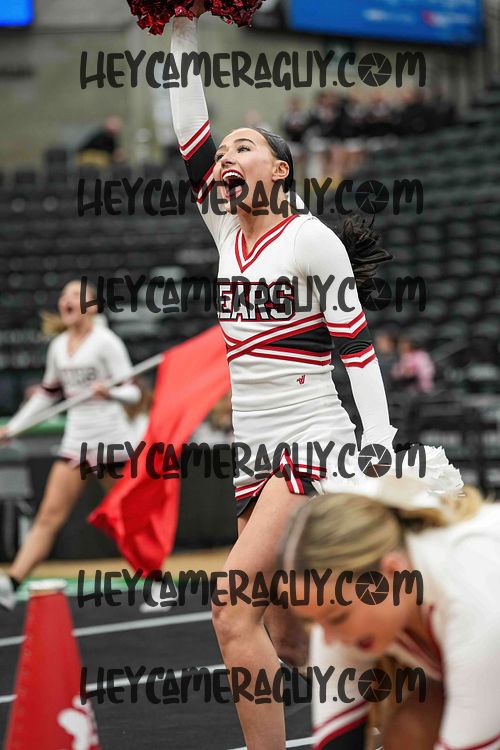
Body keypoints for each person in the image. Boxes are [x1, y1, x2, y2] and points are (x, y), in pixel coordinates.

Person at [170, 5, 396, 748]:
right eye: (223, 153)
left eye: (244, 146)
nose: (225, 156)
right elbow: (190, 129)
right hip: (254, 453)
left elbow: (355, 348)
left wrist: (378, 441)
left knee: (229, 608)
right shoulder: (223, 232)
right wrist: (179, 27)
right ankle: (393, 702)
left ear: (279, 169)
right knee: (290, 638)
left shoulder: (310, 240)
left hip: (311, 441)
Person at [280, 475, 500, 749]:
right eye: (315, 622)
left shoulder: (468, 596)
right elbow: (337, 742)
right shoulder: (340, 611)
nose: (329, 639)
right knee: (410, 731)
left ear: (393, 572)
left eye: (338, 618)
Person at [0, 280, 140, 610]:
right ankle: (12, 583)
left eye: (75, 295)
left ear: (92, 306)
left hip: (110, 441)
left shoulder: (106, 342)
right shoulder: (59, 346)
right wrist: (13, 428)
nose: (66, 300)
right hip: (76, 440)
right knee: (48, 516)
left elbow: (133, 392)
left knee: (124, 518)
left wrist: (111, 392)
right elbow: (47, 395)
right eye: (63, 295)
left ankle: (157, 582)